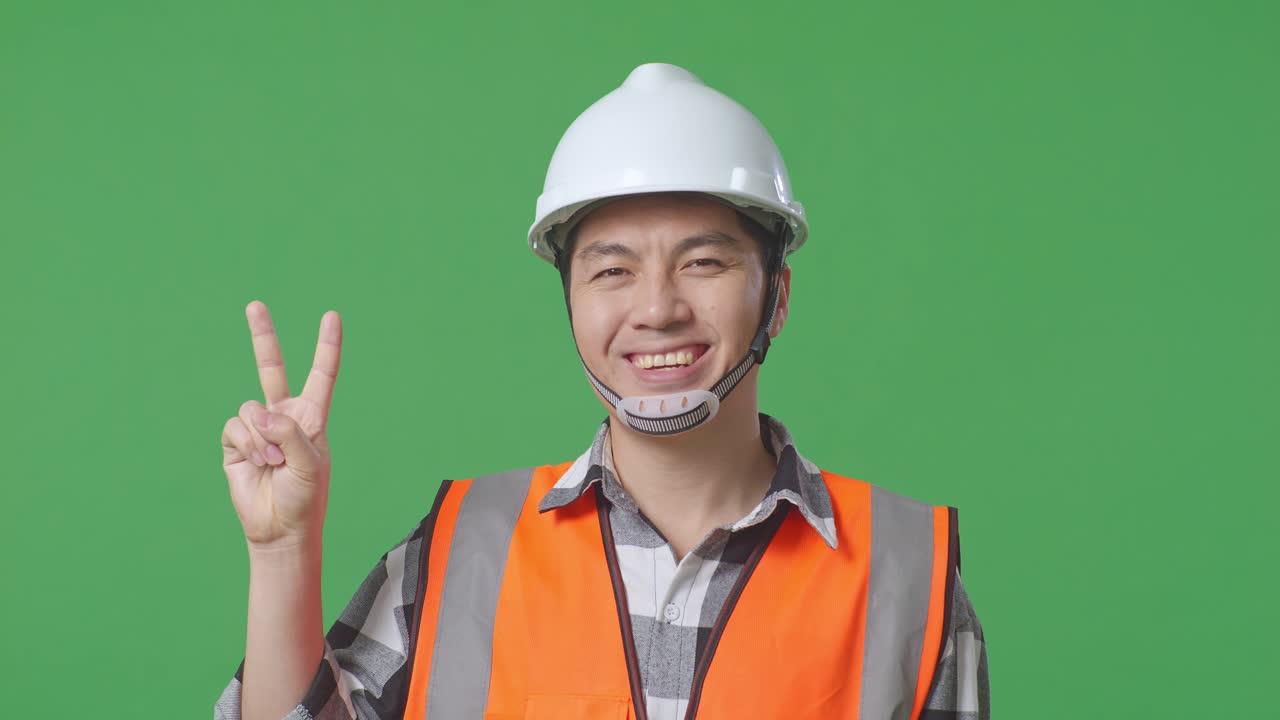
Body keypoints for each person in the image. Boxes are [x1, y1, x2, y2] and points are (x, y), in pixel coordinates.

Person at [215, 62, 989, 720]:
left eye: (704, 263)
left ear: (778, 298)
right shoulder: (460, 551)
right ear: (572, 303)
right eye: (613, 271)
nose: (657, 309)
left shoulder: (904, 568)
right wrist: (283, 552)